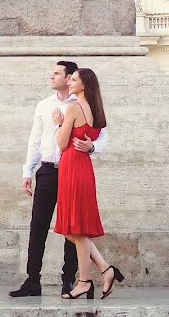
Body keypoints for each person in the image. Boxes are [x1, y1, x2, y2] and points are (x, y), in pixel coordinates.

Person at [9, 61, 108, 298]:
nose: (52, 76)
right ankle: (32, 281)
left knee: (71, 226)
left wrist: (92, 146)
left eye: (58, 73)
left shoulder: (82, 105)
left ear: (70, 78)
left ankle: (69, 281)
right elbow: (35, 139)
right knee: (38, 226)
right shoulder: (44, 105)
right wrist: (27, 171)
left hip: (71, 170)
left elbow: (103, 136)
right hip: (48, 170)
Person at [54, 68, 124, 300]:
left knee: (75, 229)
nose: (70, 82)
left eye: (73, 80)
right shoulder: (96, 110)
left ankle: (84, 281)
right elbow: (97, 137)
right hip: (83, 167)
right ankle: (105, 269)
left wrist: (58, 124)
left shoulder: (73, 107)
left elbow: (62, 143)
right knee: (74, 229)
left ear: (83, 85)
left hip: (72, 166)